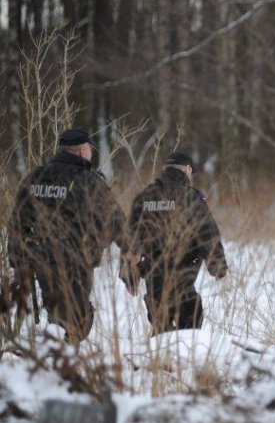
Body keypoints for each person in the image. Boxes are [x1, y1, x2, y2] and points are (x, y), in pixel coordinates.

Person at [7, 128, 128, 342]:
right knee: (77, 319)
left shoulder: (36, 177)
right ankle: (64, 360)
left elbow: (18, 221)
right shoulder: (88, 180)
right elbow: (116, 220)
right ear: (82, 152)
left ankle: (57, 356)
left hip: (41, 259)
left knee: (58, 311)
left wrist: (17, 260)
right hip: (76, 260)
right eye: (89, 149)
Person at [126, 152, 227, 334]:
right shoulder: (191, 197)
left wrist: (129, 276)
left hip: (153, 277)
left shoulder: (144, 197)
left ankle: (159, 361)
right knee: (189, 331)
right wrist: (217, 266)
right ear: (187, 169)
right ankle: (180, 360)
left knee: (161, 329)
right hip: (184, 275)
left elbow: (130, 238)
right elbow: (207, 234)